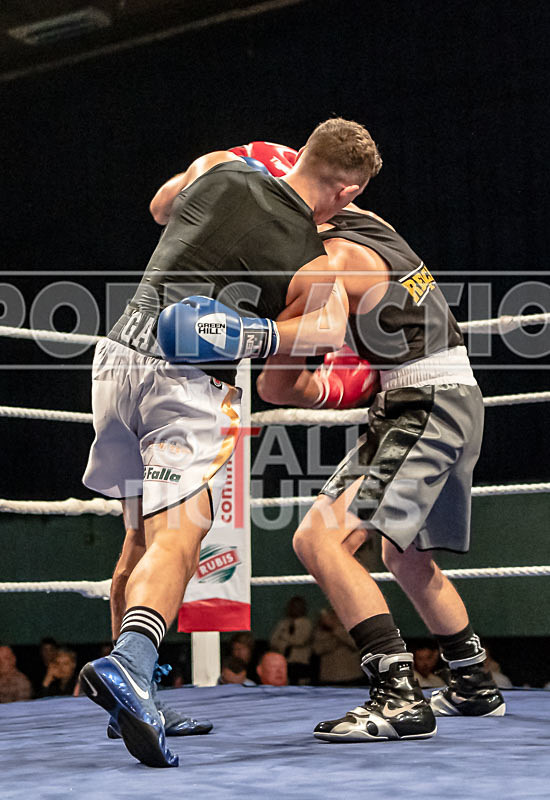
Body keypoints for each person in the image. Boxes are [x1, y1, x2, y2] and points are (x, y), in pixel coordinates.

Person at [79, 119, 382, 767]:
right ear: (347, 191)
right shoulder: (312, 257)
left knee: (139, 538)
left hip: (117, 357)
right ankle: (130, 665)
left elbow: (161, 205)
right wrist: (255, 335)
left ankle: (134, 698)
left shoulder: (219, 164)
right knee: (179, 535)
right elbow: (323, 333)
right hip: (184, 382)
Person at [258, 201, 505, 743]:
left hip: (421, 404)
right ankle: (473, 683)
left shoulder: (326, 264)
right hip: (455, 395)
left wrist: (253, 335)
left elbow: (275, 387)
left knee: (319, 539)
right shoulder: (370, 222)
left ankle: (398, 697)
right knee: (405, 554)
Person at [312, 608, 364, 686]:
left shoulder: (352, 628)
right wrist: (335, 641)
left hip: (351, 676)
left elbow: (356, 645)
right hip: (329, 677)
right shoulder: (320, 631)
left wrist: (336, 630)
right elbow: (317, 650)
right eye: (331, 617)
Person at [270, 596, 312, 684]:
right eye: (293, 606)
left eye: (298, 606)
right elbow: (273, 641)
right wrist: (285, 643)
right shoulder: (283, 623)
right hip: (284, 663)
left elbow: (300, 641)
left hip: (300, 663)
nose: (295, 608)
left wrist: (284, 637)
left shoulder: (307, 623)